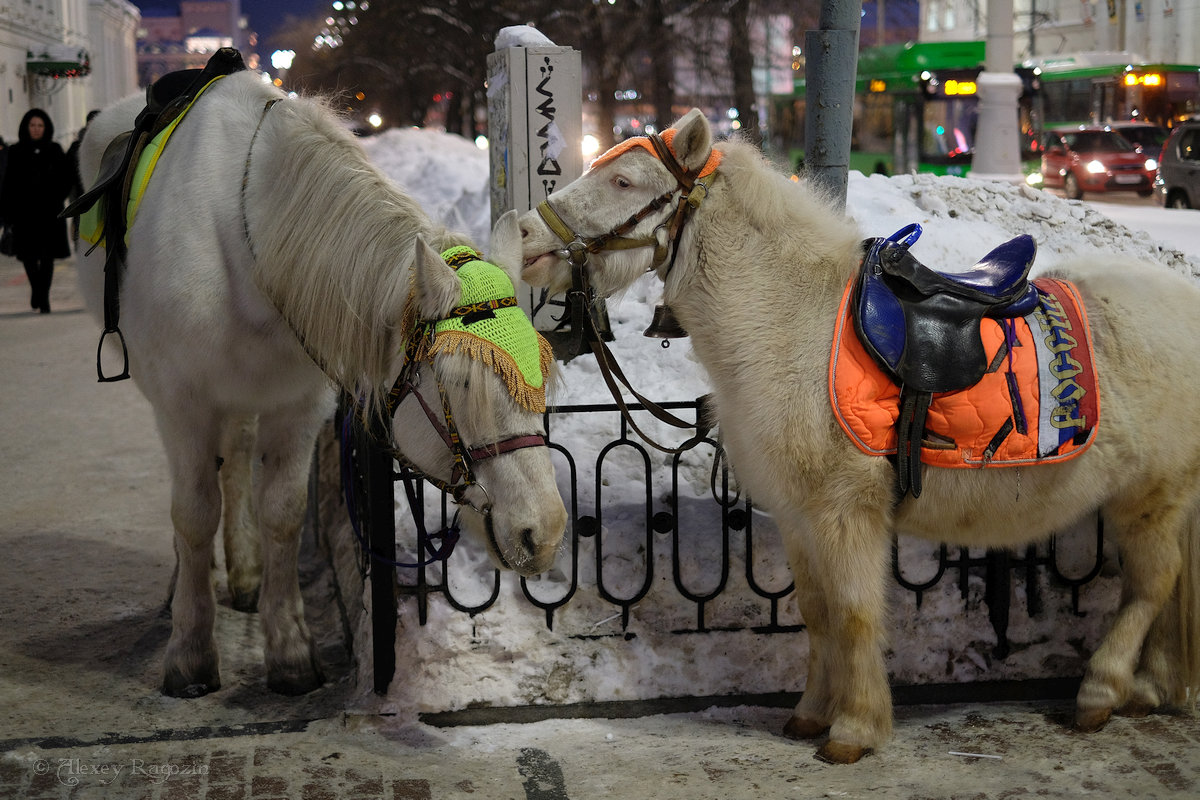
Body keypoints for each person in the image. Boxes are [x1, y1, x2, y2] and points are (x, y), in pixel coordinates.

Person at [0, 109, 72, 313]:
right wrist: (7, 212)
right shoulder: (16, 151)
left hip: (49, 213)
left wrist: (58, 196)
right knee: (29, 256)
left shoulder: (55, 150)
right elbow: (8, 182)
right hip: (24, 214)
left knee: (47, 256)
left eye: (40, 126)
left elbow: (66, 177)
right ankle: (36, 289)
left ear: (46, 127)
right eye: (32, 125)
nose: (36, 129)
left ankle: (44, 297)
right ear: (26, 127)